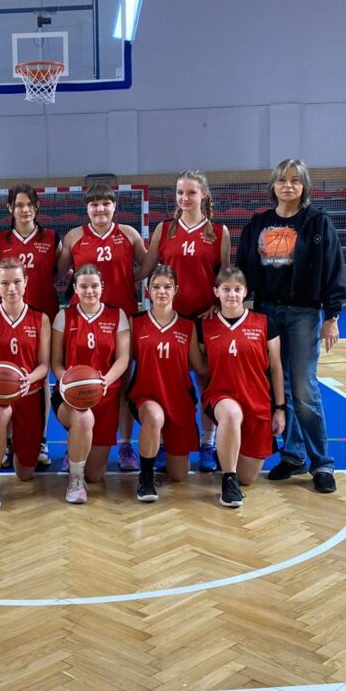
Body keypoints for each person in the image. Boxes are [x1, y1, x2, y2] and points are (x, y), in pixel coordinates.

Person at [234, 159, 346, 494]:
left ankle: (322, 463)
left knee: (304, 389)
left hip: (303, 314)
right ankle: (293, 455)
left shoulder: (317, 222)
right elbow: (243, 268)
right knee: (278, 389)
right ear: (273, 185)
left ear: (304, 186)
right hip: (266, 311)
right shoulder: (258, 223)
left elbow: (333, 267)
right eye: (282, 180)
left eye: (295, 181)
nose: (288, 186)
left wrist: (332, 316)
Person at [139, 169, 230, 472]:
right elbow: (146, 268)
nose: (184, 198)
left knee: (206, 383)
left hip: (203, 320)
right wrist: (110, 282)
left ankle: (207, 443)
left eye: (191, 192)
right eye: (180, 192)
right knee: (169, 385)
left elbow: (225, 278)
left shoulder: (219, 232)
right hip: (169, 321)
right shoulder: (165, 229)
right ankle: (165, 442)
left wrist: (217, 304)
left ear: (204, 194)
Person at [57, 184, 147, 471]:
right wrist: (80, 285)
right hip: (82, 318)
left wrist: (128, 280)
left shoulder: (129, 234)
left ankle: (125, 445)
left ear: (114, 206)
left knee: (122, 385)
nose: (100, 209)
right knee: (77, 381)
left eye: (106, 203)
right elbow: (59, 272)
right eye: (94, 204)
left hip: (121, 318)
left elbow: (147, 266)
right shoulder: (74, 237)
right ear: (87, 208)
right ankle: (75, 443)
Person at [198, 268, 287, 508]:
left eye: (237, 289)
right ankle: (228, 481)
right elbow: (199, 366)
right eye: (226, 289)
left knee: (247, 478)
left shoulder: (264, 322)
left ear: (246, 291)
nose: (232, 295)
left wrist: (280, 409)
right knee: (230, 414)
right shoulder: (204, 325)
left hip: (257, 402)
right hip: (221, 396)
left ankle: (226, 454)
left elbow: (276, 367)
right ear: (216, 292)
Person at [0, 258, 51, 510]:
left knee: (25, 473)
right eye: (5, 283)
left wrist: (30, 378)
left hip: (29, 392)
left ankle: (12, 442)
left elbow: (44, 365)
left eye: (17, 281)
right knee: (1, 412)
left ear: (26, 282)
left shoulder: (40, 319)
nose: (12, 288)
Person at [126, 265, 208, 502]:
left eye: (167, 287)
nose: (162, 291)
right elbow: (124, 360)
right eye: (156, 287)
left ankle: (159, 445)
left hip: (179, 400)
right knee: (153, 416)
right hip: (146, 395)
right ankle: (146, 478)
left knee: (179, 475)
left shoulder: (188, 326)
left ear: (176, 290)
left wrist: (229, 360)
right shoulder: (136, 322)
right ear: (148, 291)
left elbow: (200, 367)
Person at [51, 264, 131, 504]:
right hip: (70, 396)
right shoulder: (64, 316)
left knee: (96, 476)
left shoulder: (117, 316)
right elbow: (56, 362)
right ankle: (75, 479)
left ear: (102, 287)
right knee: (82, 418)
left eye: (94, 286)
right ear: (75, 288)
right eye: (83, 286)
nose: (89, 291)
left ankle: (76, 450)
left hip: (105, 394)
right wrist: (66, 380)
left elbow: (123, 358)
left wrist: (105, 381)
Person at [0, 184, 60, 468]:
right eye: (19, 204)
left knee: (40, 379)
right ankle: (10, 440)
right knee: (7, 376)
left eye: (29, 204)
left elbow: (59, 273)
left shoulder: (52, 238)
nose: (25, 209)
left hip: (42, 316)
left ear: (37, 207)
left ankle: (41, 439)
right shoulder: (0, 240)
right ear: (10, 208)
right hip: (8, 317)